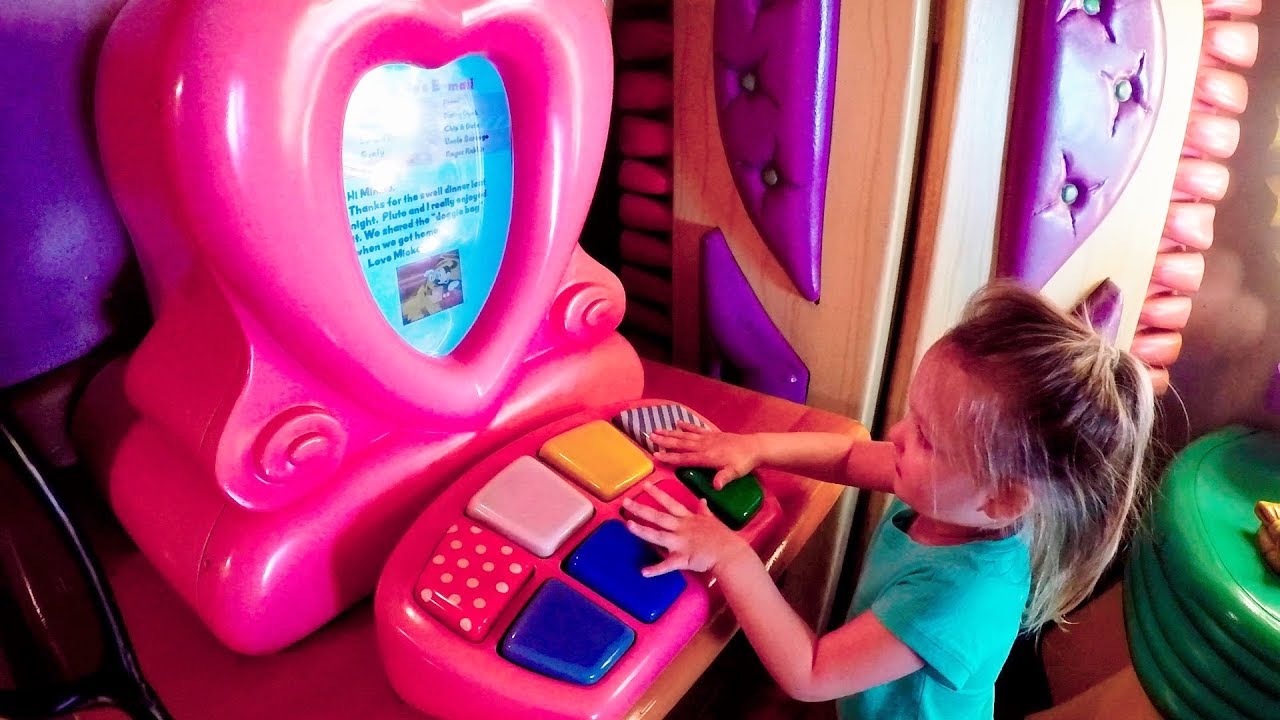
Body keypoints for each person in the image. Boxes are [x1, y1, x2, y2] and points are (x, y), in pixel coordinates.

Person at [622, 280, 1155, 719]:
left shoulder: (960, 597)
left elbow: (811, 673)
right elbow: (850, 458)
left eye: (925, 436)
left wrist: (729, 554)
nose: (897, 435)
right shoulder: (953, 496)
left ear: (1003, 499)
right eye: (911, 415)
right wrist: (754, 446)